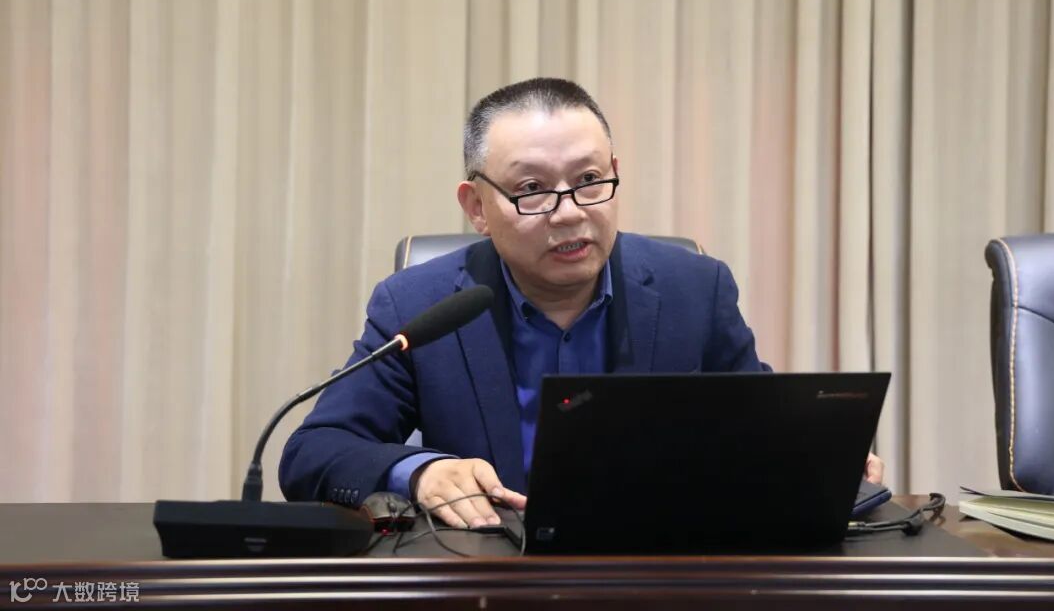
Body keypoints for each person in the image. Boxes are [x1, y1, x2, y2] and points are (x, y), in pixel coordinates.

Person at [279, 77, 884, 528]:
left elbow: (758, 423)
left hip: (660, 575)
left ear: (614, 173)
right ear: (477, 207)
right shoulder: (419, 304)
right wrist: (421, 471)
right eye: (532, 189)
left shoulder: (695, 290)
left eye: (590, 180)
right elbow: (314, 452)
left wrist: (823, 451)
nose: (570, 212)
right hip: (489, 580)